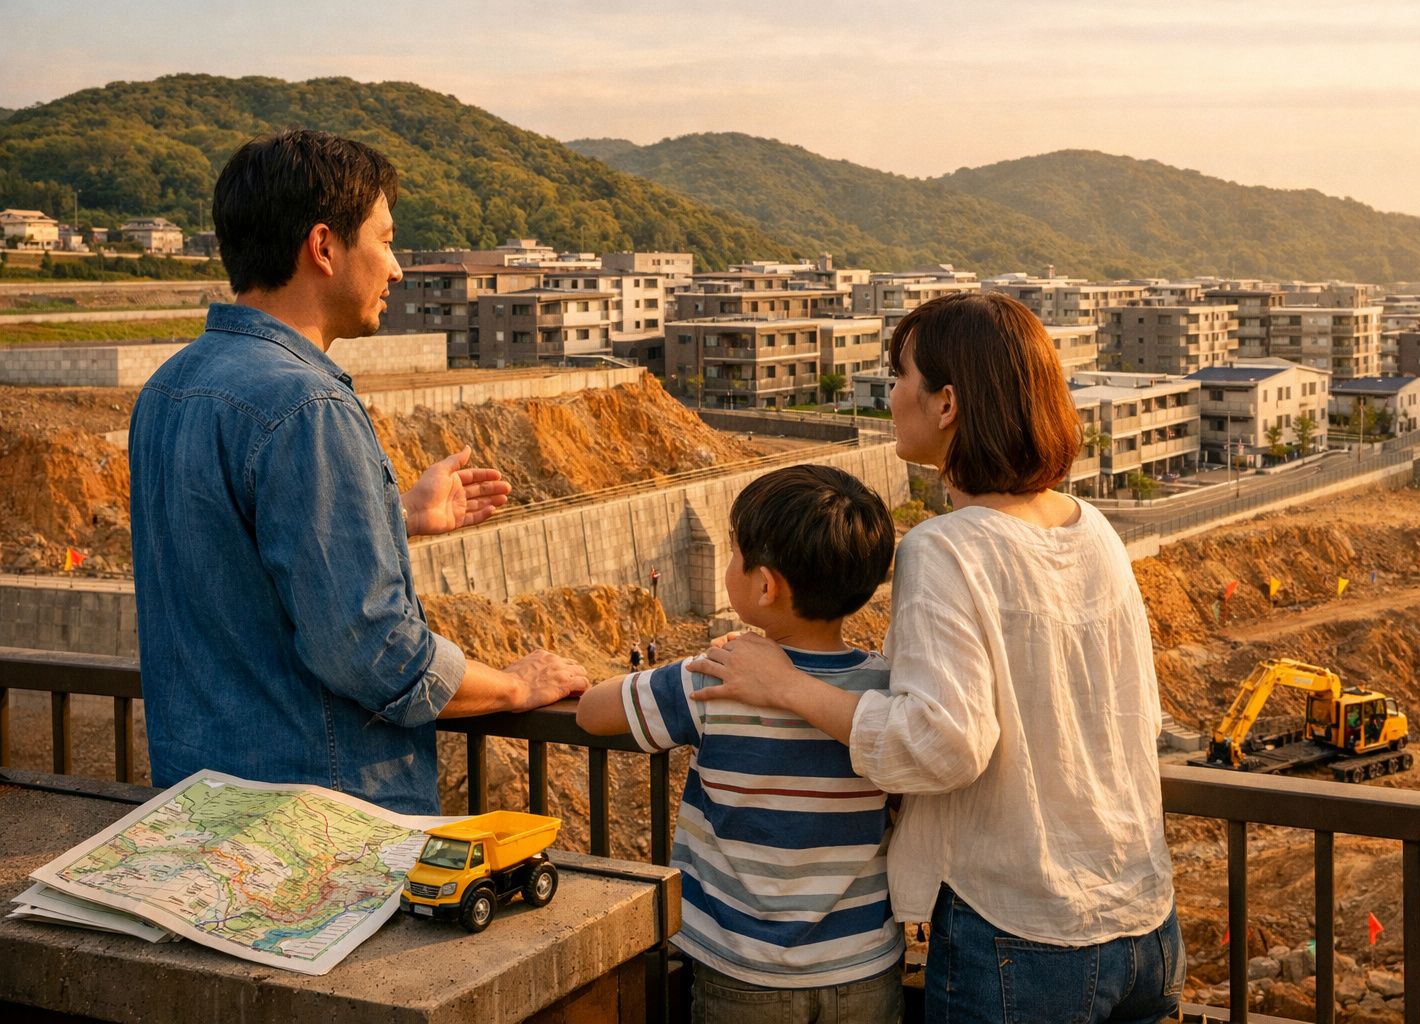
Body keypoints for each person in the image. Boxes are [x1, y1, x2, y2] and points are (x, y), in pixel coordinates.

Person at [690, 292, 1183, 1023]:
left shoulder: (946, 547)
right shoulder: (1095, 531)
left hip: (1022, 932)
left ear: (946, 402)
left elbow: (942, 744)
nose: (891, 397)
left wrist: (789, 687)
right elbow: (1137, 716)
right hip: (1144, 919)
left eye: (900, 376)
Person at [129, 129, 589, 815]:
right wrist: (514, 687)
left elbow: (237, 558)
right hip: (320, 820)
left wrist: (395, 517)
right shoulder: (306, 405)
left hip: (199, 808)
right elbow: (372, 650)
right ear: (324, 247)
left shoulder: (168, 388)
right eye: (386, 240)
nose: (398, 268)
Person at [576, 465, 902, 1022]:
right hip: (864, 965)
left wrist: (694, 662)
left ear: (766, 584)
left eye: (734, 554)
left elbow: (591, 712)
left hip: (744, 971)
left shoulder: (714, 681)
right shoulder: (884, 692)